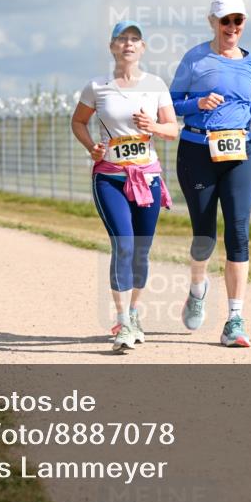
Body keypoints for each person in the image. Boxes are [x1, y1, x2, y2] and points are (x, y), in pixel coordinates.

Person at [170, 0, 251, 347]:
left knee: (238, 231)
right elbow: (170, 104)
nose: (232, 27)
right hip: (197, 150)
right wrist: (197, 102)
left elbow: (249, 104)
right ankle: (198, 290)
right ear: (212, 23)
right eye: (225, 21)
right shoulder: (196, 58)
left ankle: (235, 318)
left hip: (239, 150)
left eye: (238, 21)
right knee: (204, 235)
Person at [71, 20, 178, 353]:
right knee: (124, 245)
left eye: (135, 39)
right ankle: (121, 321)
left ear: (143, 48)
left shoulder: (156, 84)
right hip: (110, 177)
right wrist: (92, 147)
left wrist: (154, 126)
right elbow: (77, 121)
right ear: (112, 47)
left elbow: (173, 129)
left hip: (147, 178)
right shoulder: (97, 87)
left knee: (142, 250)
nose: (128, 44)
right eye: (122, 39)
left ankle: (134, 313)